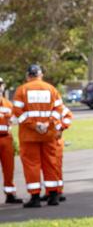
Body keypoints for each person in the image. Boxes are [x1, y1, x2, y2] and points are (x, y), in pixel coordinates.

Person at [12, 64, 64, 207]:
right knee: (50, 163)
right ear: (41, 75)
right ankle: (53, 196)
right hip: (48, 134)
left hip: (29, 136)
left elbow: (18, 112)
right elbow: (59, 109)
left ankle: (35, 198)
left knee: (31, 165)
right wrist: (48, 123)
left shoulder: (21, 90)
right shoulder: (51, 89)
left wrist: (34, 125)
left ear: (28, 76)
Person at [0, 78, 22, 204]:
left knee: (9, 169)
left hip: (6, 140)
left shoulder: (8, 104)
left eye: (0, 85)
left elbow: (15, 119)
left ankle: (10, 194)